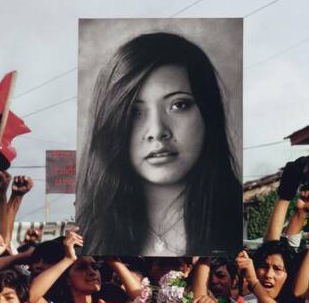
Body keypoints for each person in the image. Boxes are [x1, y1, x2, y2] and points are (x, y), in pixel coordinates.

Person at [77, 32, 240, 256]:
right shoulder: (81, 241)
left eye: (179, 105)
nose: (157, 131)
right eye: (135, 112)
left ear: (208, 113)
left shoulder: (240, 224)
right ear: (112, 122)